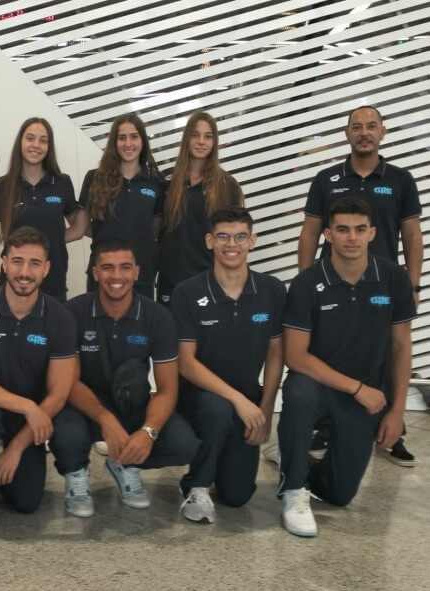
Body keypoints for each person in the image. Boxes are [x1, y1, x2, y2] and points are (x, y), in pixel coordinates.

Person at [278, 196, 414, 537]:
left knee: (339, 495)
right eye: (342, 229)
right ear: (328, 234)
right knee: (298, 393)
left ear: (372, 233)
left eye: (359, 229)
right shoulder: (307, 283)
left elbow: (401, 345)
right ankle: (293, 488)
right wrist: (356, 388)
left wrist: (397, 411)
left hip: (366, 396)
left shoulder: (394, 278)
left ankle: (294, 460)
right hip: (318, 387)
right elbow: (295, 357)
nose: (351, 237)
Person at [296, 105, 422, 466]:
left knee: (386, 354)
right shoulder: (326, 179)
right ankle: (325, 427)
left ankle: (391, 429)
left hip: (384, 286)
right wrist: (306, 282)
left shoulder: (400, 179)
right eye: (357, 127)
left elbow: (412, 236)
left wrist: (413, 285)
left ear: (383, 132)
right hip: (333, 284)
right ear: (347, 133)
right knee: (327, 350)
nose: (364, 132)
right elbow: (309, 233)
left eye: (371, 126)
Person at [50, 238, 199, 518]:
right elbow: (67, 382)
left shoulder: (158, 317)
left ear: (136, 272)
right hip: (84, 406)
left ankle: (125, 463)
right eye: (107, 268)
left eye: (125, 267)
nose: (116, 276)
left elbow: (167, 389)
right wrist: (105, 420)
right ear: (95, 273)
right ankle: (76, 475)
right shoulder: (72, 313)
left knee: (184, 444)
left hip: (132, 404)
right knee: (66, 436)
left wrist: (148, 431)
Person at [0, 227, 77, 539]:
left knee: (26, 501)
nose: (24, 272)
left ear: (46, 269)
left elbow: (59, 393)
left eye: (34, 263)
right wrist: (28, 406)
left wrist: (16, 448)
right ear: (4, 263)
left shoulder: (60, 317)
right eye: (17, 261)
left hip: (27, 420)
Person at [171, 207, 285, 523]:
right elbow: (186, 363)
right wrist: (237, 400)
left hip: (248, 400)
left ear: (252, 241)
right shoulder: (187, 292)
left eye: (240, 237)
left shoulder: (272, 290)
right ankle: (197, 486)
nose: (231, 244)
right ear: (210, 241)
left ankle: (214, 467)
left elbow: (276, 351)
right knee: (218, 410)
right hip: (198, 399)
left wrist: (265, 409)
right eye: (222, 236)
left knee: (237, 496)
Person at [0, 117, 86, 302]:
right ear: (20, 142)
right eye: (30, 138)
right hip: (14, 282)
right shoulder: (2, 186)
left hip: (53, 279)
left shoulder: (61, 182)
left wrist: (51, 239)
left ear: (49, 147)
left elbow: (78, 229)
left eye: (43, 140)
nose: (36, 145)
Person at [157, 111, 244, 306]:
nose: (201, 142)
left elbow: (235, 238)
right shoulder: (166, 180)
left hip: (210, 280)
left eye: (208, 136)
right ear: (186, 139)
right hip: (170, 281)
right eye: (195, 135)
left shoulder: (227, 185)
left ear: (214, 142)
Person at [79, 113, 166, 299]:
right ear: (114, 142)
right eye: (122, 138)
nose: (128, 143)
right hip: (103, 272)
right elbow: (82, 226)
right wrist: (107, 233)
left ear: (142, 141)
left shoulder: (155, 181)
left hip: (141, 272)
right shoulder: (94, 178)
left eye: (134, 137)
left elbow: (154, 228)